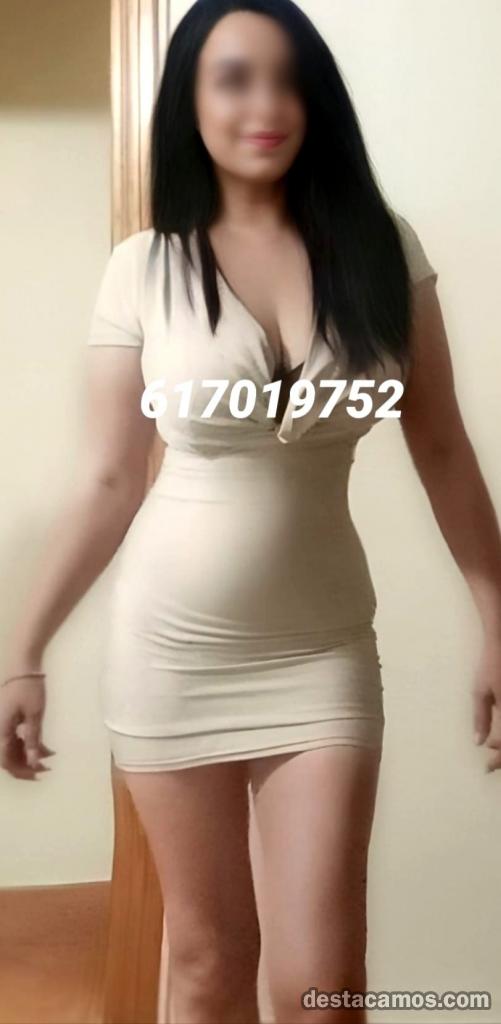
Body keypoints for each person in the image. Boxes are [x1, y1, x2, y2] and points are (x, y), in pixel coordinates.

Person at [2, 1, 501, 1022]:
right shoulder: (143, 266)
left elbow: (444, 448)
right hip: (170, 652)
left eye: (286, 78)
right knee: (207, 960)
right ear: (190, 101)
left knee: (324, 988)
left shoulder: (381, 249)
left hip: (320, 651)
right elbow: (109, 480)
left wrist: (498, 621)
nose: (264, 103)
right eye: (233, 78)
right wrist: (23, 650)